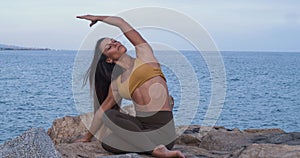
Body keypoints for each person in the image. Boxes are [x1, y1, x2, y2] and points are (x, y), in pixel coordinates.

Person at [75, 15, 185, 158]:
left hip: (163, 130)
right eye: (109, 47)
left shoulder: (145, 56)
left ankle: (155, 150)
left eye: (114, 41)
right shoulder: (117, 84)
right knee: (108, 139)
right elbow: (101, 112)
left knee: (114, 137)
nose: (115, 44)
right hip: (142, 129)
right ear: (108, 59)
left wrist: (98, 18)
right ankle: (153, 149)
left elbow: (121, 22)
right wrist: (87, 137)